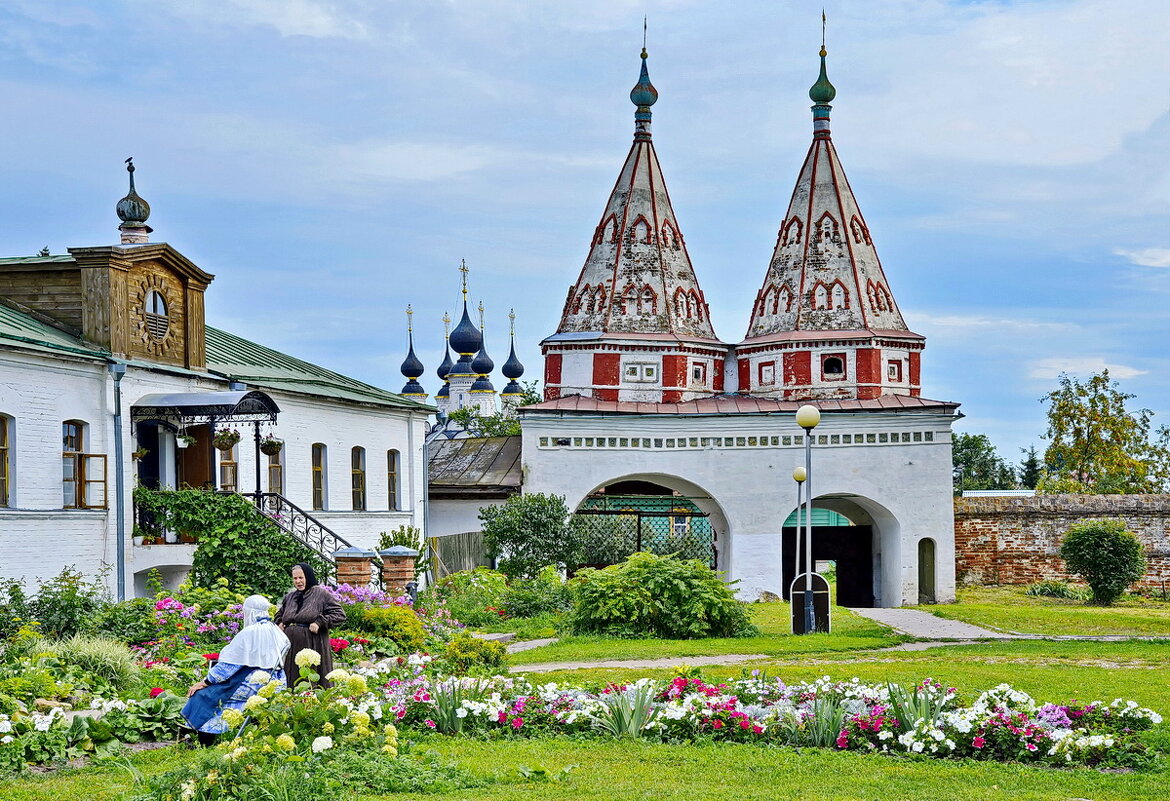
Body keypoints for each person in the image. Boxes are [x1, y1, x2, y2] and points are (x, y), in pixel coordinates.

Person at [181, 594, 290, 746]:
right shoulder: (276, 631)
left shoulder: (249, 632)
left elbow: (226, 668)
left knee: (204, 695)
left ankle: (204, 741)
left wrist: (204, 682)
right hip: (276, 684)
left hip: (252, 687)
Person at [274, 562, 346, 686]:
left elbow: (339, 615)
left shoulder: (321, 594)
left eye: (301, 578)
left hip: (313, 643)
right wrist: (280, 622)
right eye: (295, 578)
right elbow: (279, 613)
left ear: (308, 577)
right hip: (291, 644)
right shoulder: (290, 596)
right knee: (293, 676)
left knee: (311, 676)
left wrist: (320, 622)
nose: (298, 581)